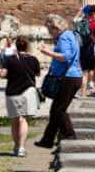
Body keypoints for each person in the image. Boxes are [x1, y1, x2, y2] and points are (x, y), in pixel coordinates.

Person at [35, 14, 82, 149]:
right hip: (71, 77)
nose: (50, 34)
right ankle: (48, 139)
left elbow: (65, 57)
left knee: (58, 110)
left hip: (68, 77)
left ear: (55, 27)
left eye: (50, 30)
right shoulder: (69, 35)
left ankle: (69, 135)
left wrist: (46, 52)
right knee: (57, 109)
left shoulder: (64, 37)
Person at [0, 36, 40, 157]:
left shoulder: (10, 59)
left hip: (12, 91)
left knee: (14, 120)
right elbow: (37, 74)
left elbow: (2, 74)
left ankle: (16, 146)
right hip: (28, 91)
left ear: (16, 46)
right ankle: (22, 147)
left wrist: (12, 73)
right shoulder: (33, 59)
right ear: (27, 46)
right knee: (23, 120)